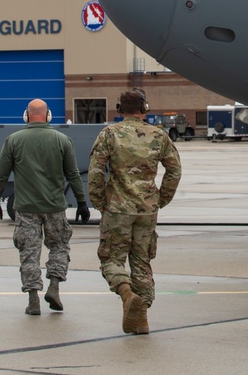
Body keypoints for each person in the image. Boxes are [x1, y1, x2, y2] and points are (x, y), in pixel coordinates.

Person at [88, 89, 182, 335]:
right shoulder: (159, 136)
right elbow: (174, 170)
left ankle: (126, 293)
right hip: (147, 210)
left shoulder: (109, 134)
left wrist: (99, 200)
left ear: (119, 109)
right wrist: (161, 199)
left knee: (111, 259)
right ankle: (142, 318)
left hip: (117, 208)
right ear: (145, 108)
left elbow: (96, 171)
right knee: (142, 262)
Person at [0, 99, 90, 316]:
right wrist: (81, 202)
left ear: (26, 115)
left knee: (29, 253)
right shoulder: (62, 140)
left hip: (25, 208)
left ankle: (33, 300)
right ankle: (54, 286)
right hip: (54, 207)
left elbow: (1, 174)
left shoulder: (13, 140)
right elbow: (73, 174)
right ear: (48, 116)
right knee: (60, 246)